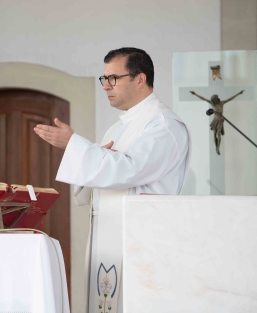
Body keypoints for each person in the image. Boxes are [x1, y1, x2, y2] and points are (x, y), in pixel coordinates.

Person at [34, 48, 190, 313]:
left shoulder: (164, 126)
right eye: (104, 78)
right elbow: (104, 174)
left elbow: (128, 170)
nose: (106, 86)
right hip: (110, 235)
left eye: (113, 78)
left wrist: (75, 145)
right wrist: (90, 154)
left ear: (140, 79)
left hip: (141, 240)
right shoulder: (118, 128)